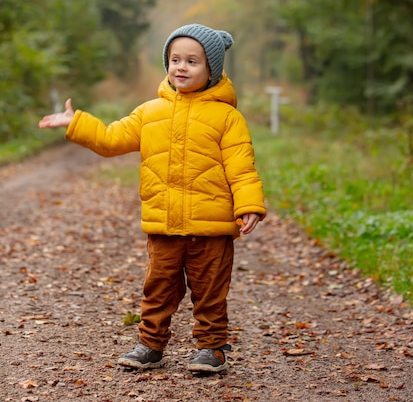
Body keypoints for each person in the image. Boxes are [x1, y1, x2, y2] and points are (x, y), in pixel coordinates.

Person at [39, 23, 266, 374]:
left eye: (192, 61)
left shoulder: (227, 117)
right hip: (164, 224)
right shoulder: (150, 111)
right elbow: (111, 139)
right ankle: (150, 344)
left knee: (209, 292)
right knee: (158, 288)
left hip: (212, 229)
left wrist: (249, 205)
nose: (181, 67)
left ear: (211, 69)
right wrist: (77, 123)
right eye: (176, 59)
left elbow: (242, 167)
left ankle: (212, 347)